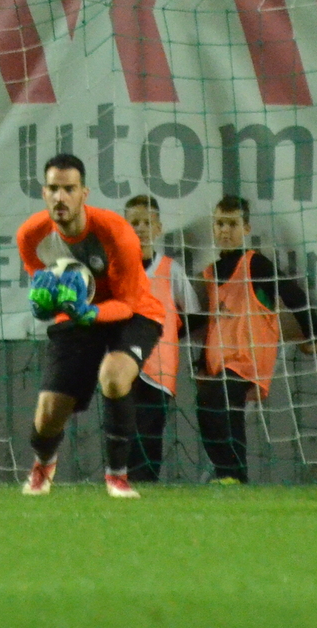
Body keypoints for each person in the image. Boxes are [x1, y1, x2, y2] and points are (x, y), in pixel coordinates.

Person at [17, 154, 165, 498]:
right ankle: (43, 465)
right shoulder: (30, 236)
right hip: (80, 315)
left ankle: (117, 475)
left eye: (69, 189)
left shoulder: (116, 232)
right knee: (48, 415)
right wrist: (47, 304)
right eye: (53, 188)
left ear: (84, 193)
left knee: (113, 377)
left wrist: (90, 313)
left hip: (134, 312)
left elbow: (127, 302)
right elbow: (41, 280)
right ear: (44, 193)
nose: (60, 197)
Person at [195, 195, 317, 484]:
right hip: (221, 361)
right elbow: (212, 324)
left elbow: (291, 293)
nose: (224, 231)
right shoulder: (210, 273)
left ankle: (234, 473)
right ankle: (226, 473)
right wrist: (201, 361)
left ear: (245, 229)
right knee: (206, 403)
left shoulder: (255, 264)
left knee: (224, 398)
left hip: (249, 358)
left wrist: (313, 333)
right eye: (220, 224)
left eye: (232, 224)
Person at [122, 195, 200, 483]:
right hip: (124, 364)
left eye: (147, 222)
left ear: (158, 228)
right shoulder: (117, 270)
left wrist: (167, 337)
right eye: (135, 223)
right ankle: (125, 482)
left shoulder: (171, 270)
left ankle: (146, 483)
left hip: (159, 368)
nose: (141, 228)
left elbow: (191, 313)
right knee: (125, 428)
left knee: (151, 429)